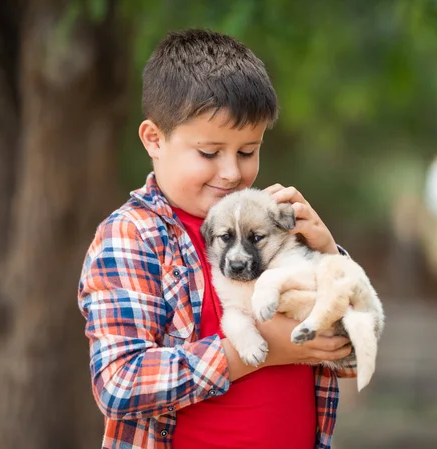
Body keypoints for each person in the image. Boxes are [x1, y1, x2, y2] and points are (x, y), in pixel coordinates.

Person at [77, 28, 356, 449]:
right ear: (154, 139)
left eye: (248, 152)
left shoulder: (276, 228)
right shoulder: (133, 236)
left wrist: (328, 253)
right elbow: (120, 384)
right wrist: (254, 351)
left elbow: (351, 355)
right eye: (209, 153)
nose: (231, 172)